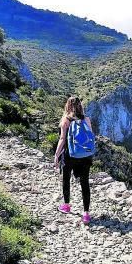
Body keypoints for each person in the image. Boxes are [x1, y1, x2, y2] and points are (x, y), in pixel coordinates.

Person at [54, 96, 94, 224]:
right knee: (85, 182)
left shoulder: (66, 119)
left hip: (70, 154)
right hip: (86, 155)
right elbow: (90, 137)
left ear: (67, 106)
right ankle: (86, 214)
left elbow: (62, 139)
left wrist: (56, 155)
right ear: (80, 106)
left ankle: (66, 205)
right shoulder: (86, 119)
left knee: (66, 178)